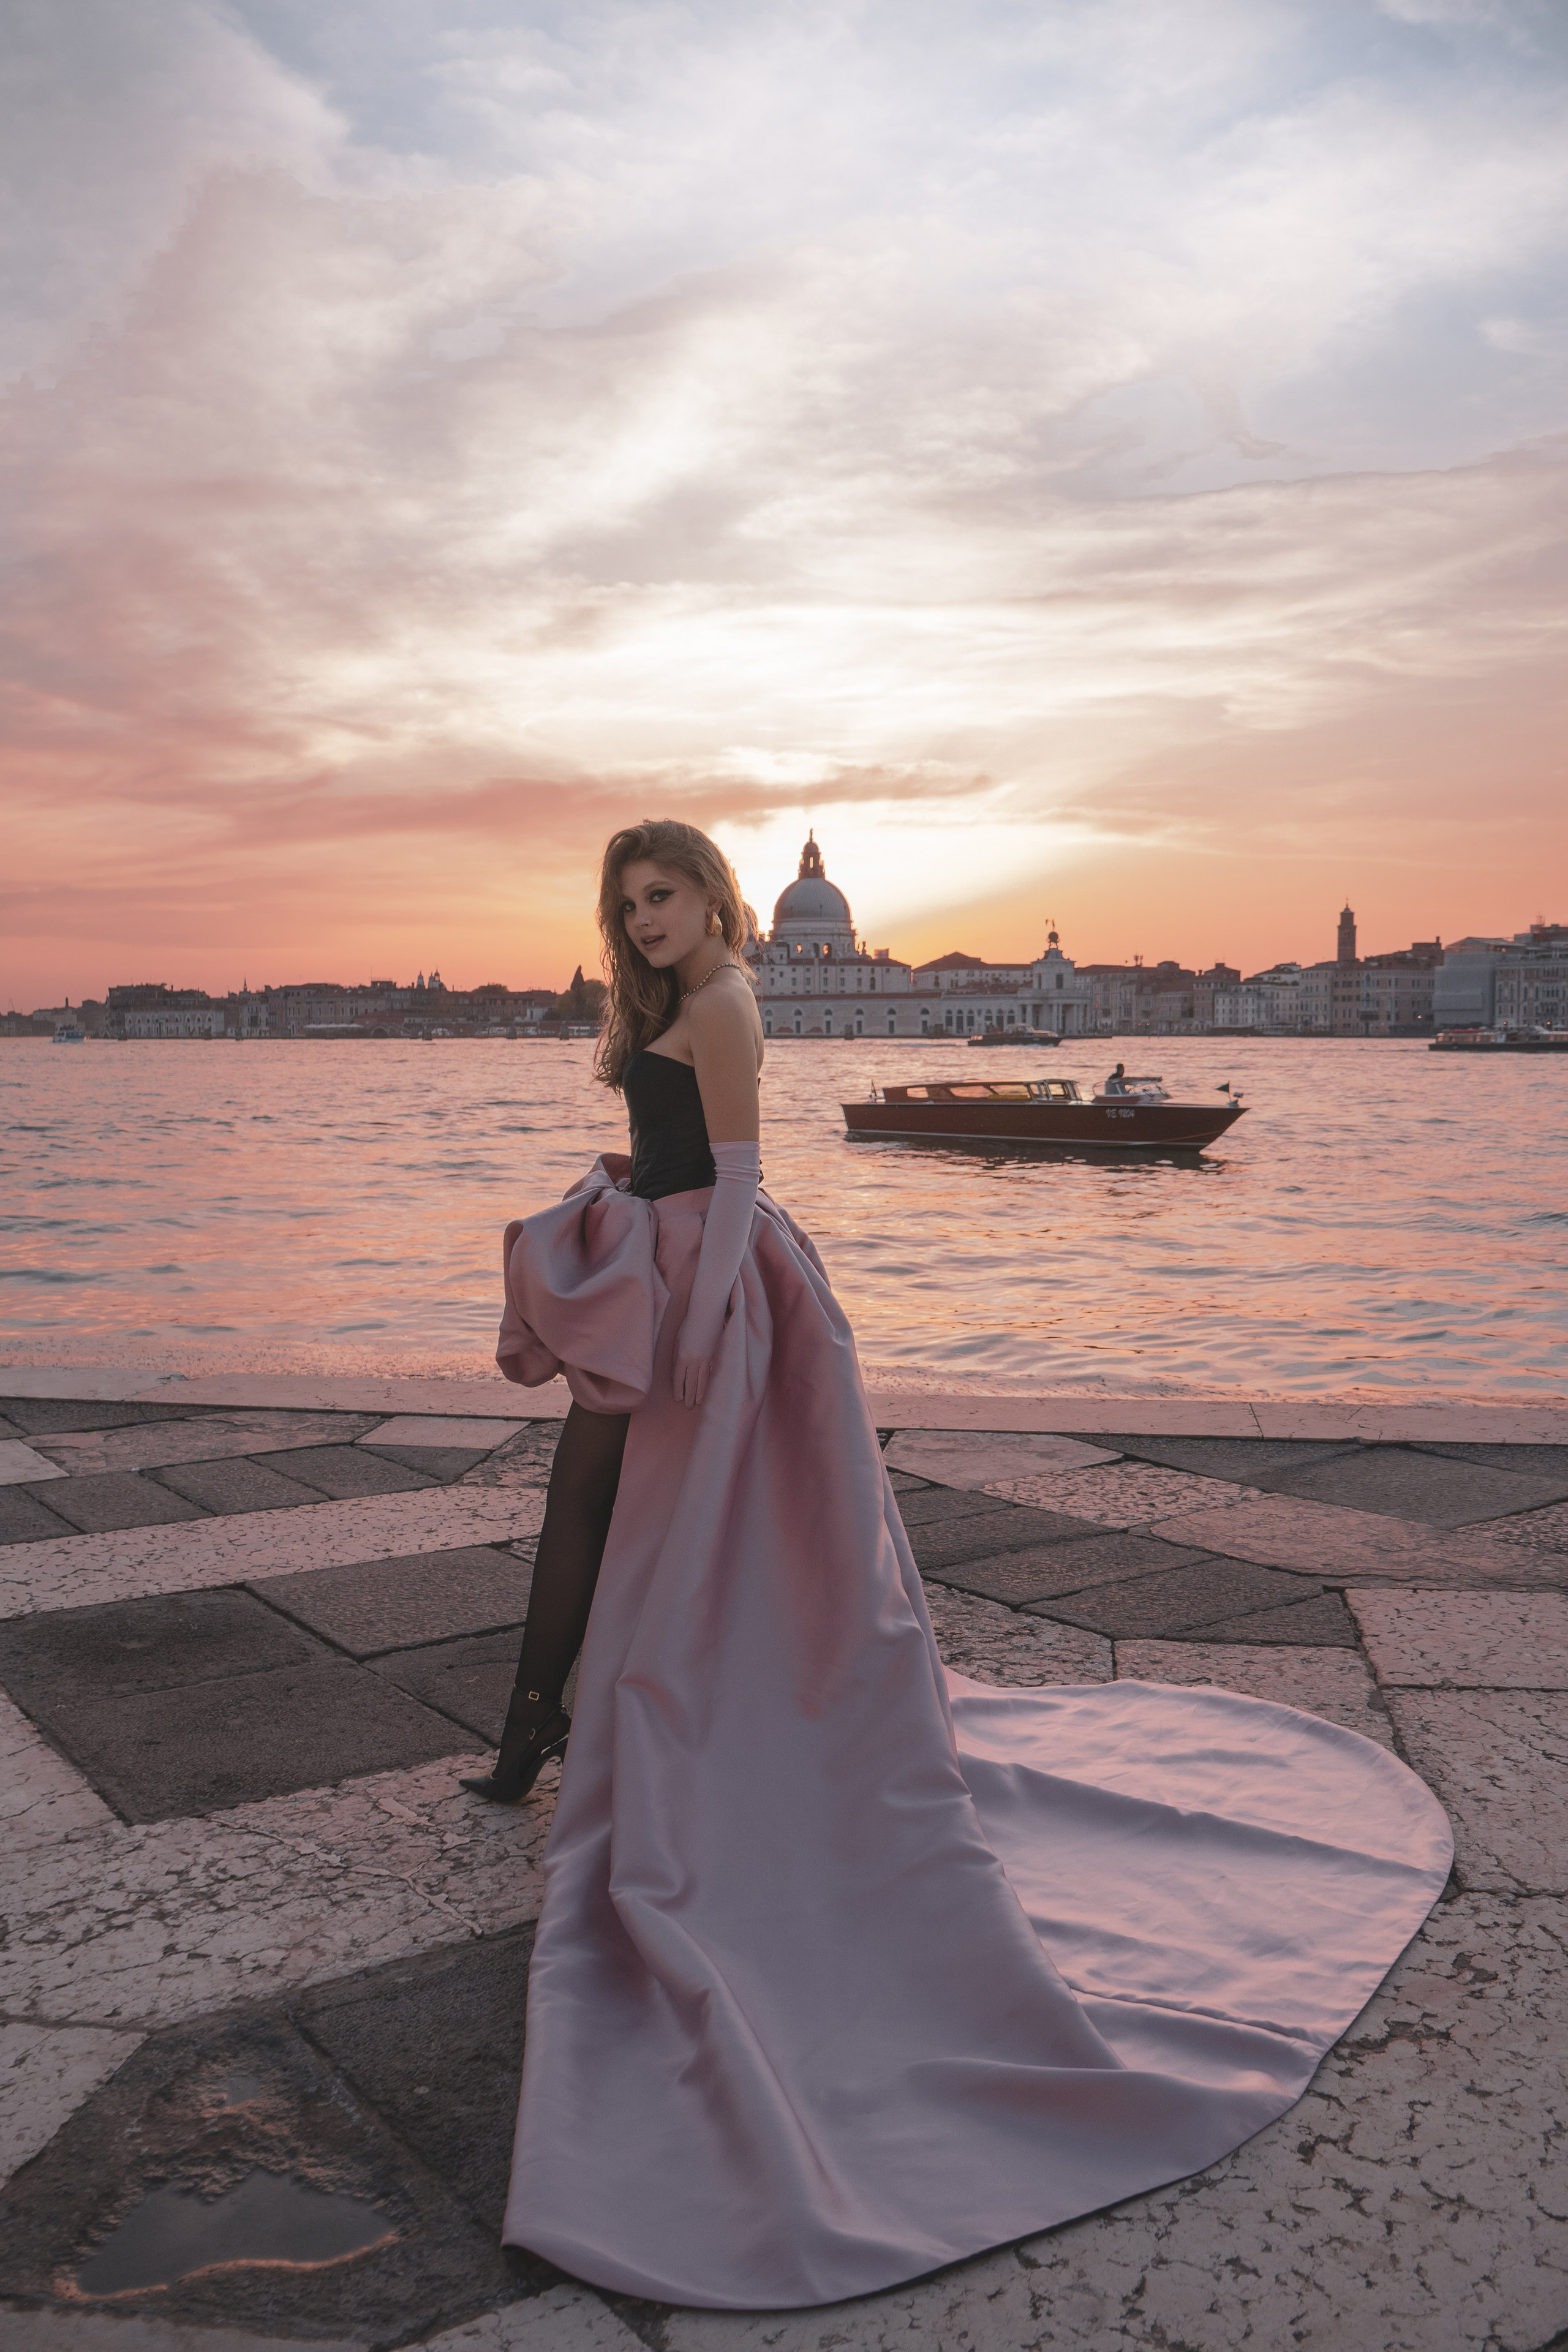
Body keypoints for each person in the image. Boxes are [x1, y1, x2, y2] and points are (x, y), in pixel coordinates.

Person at [470, 819, 1452, 2313]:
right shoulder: (680, 998)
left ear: (722, 897)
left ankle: (552, 1725)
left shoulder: (731, 999)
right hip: (658, 1268)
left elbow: (737, 1186)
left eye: (662, 895)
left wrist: (693, 1331)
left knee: (617, 1512)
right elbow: (684, 1161)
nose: (644, 919)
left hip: (706, 1292)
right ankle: (538, 1724)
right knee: (592, 1505)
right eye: (626, 901)